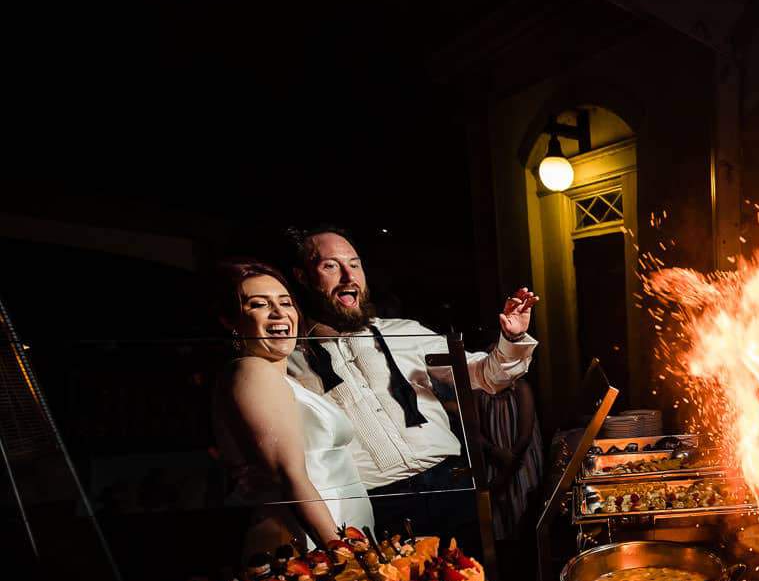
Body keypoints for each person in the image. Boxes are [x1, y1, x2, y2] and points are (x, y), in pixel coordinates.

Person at [284, 225, 539, 544]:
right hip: (373, 504)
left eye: (354, 264)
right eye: (331, 266)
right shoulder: (289, 362)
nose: (349, 277)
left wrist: (512, 338)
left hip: (450, 487)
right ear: (303, 277)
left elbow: (486, 374)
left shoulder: (405, 332)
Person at [210, 260, 375, 555]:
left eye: (285, 302)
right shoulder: (253, 372)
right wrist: (341, 550)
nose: (279, 313)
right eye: (259, 305)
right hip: (314, 537)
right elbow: (290, 477)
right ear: (230, 321)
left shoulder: (283, 379)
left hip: (337, 527)